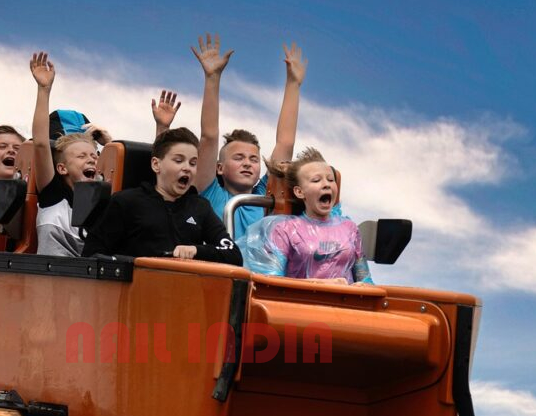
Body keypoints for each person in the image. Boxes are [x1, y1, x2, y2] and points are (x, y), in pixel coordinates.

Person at [187, 35, 308, 240]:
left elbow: (285, 143)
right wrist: (212, 78)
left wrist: (293, 84)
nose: (247, 164)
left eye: (253, 159)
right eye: (238, 158)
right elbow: (209, 136)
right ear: (220, 168)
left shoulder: (265, 196)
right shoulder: (211, 193)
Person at [81, 127, 242, 265]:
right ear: (156, 165)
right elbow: (92, 255)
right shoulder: (126, 202)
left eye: (193, 163)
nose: (187, 168)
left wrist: (195, 250)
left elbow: (233, 254)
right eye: (179, 161)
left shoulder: (200, 207)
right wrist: (137, 264)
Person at [240, 148, 372, 284]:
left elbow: (365, 279)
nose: (326, 184)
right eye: (316, 180)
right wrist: (322, 285)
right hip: (300, 303)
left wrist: (364, 287)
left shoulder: (349, 228)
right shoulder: (284, 230)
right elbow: (272, 283)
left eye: (330, 180)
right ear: (299, 192)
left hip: (345, 303)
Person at [29, 51, 112, 256]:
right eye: (82, 156)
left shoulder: (106, 200)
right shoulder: (53, 194)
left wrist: (110, 143)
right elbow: (40, 144)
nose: (91, 160)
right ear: (62, 168)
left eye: (94, 156)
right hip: (52, 279)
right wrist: (44, 89)